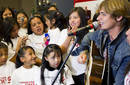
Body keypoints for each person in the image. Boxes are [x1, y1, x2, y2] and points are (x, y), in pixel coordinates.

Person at [72, 0, 130, 85]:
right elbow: (88, 37)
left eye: (103, 14)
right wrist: (83, 52)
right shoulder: (103, 33)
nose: (98, 18)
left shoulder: (126, 49)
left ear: (118, 17)